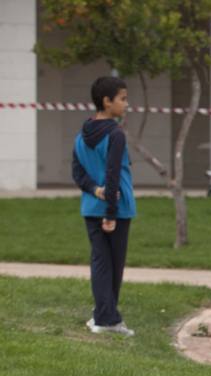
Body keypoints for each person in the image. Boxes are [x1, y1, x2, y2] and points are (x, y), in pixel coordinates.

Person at [71, 75, 136, 337]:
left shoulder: (81, 134)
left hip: (90, 207)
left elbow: (77, 173)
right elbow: (112, 174)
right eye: (122, 99)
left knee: (100, 263)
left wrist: (94, 191)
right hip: (116, 210)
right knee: (114, 264)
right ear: (107, 102)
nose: (126, 104)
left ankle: (102, 316)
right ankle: (108, 320)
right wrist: (110, 212)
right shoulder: (115, 134)